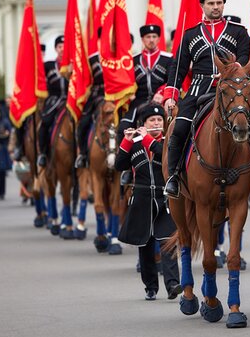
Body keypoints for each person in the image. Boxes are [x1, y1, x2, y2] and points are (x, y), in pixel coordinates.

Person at [162, 0, 250, 198]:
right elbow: (178, 68)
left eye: (219, 3)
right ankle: (174, 176)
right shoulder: (190, 34)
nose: (215, 7)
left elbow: (244, 58)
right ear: (202, 6)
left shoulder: (238, 31)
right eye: (211, 3)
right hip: (199, 89)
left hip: (232, 89)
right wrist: (170, 96)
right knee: (180, 128)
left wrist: (231, 75)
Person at [116, 104, 182, 300]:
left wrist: (147, 139)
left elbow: (167, 156)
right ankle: (150, 287)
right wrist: (126, 142)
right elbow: (120, 165)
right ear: (143, 124)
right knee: (144, 244)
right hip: (142, 199)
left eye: (159, 120)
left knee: (167, 242)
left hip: (164, 199)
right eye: (152, 120)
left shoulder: (168, 142)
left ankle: (172, 285)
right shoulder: (135, 143)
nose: (156, 123)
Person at [102, 23, 172, 171]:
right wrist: (129, 91)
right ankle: (127, 169)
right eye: (148, 37)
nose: (151, 40)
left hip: (162, 100)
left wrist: (161, 92)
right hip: (139, 101)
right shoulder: (132, 60)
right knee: (123, 127)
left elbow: (172, 80)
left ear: (159, 39)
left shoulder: (168, 58)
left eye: (154, 37)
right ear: (142, 39)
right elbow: (126, 80)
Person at [74, 30, 106, 169]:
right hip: (97, 96)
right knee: (83, 123)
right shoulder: (91, 59)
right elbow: (85, 80)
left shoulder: (120, 56)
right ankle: (84, 155)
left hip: (118, 98)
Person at [37, 36, 68, 168]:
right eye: (59, 46)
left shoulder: (73, 65)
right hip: (54, 101)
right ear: (56, 49)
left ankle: (82, 153)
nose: (62, 49)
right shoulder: (48, 66)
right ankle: (43, 154)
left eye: (64, 46)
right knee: (45, 122)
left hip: (69, 100)